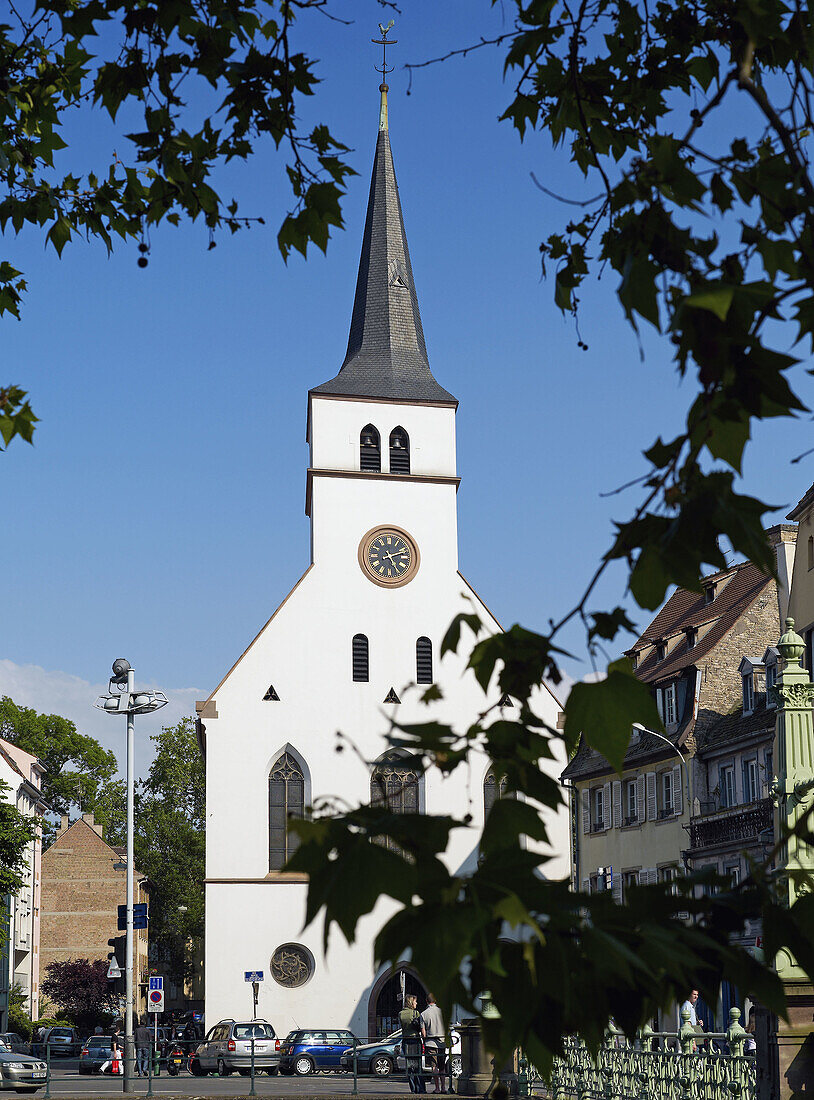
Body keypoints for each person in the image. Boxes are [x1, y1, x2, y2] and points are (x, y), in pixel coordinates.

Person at [399, 994, 426, 1094]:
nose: (416, 1003)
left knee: (410, 1066)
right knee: (418, 1065)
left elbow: (402, 1026)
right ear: (411, 1002)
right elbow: (420, 1026)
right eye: (415, 1002)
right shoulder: (416, 1013)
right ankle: (421, 1089)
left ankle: (413, 1089)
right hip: (415, 1039)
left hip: (405, 1040)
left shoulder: (400, 1014)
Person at [421, 994, 446, 1093]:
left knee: (434, 1066)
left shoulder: (423, 1014)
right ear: (435, 1001)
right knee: (442, 1067)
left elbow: (423, 1033)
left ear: (427, 1001)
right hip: (442, 1042)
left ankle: (437, 1088)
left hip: (430, 1043)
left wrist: (425, 1039)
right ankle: (444, 1088)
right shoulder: (442, 1012)